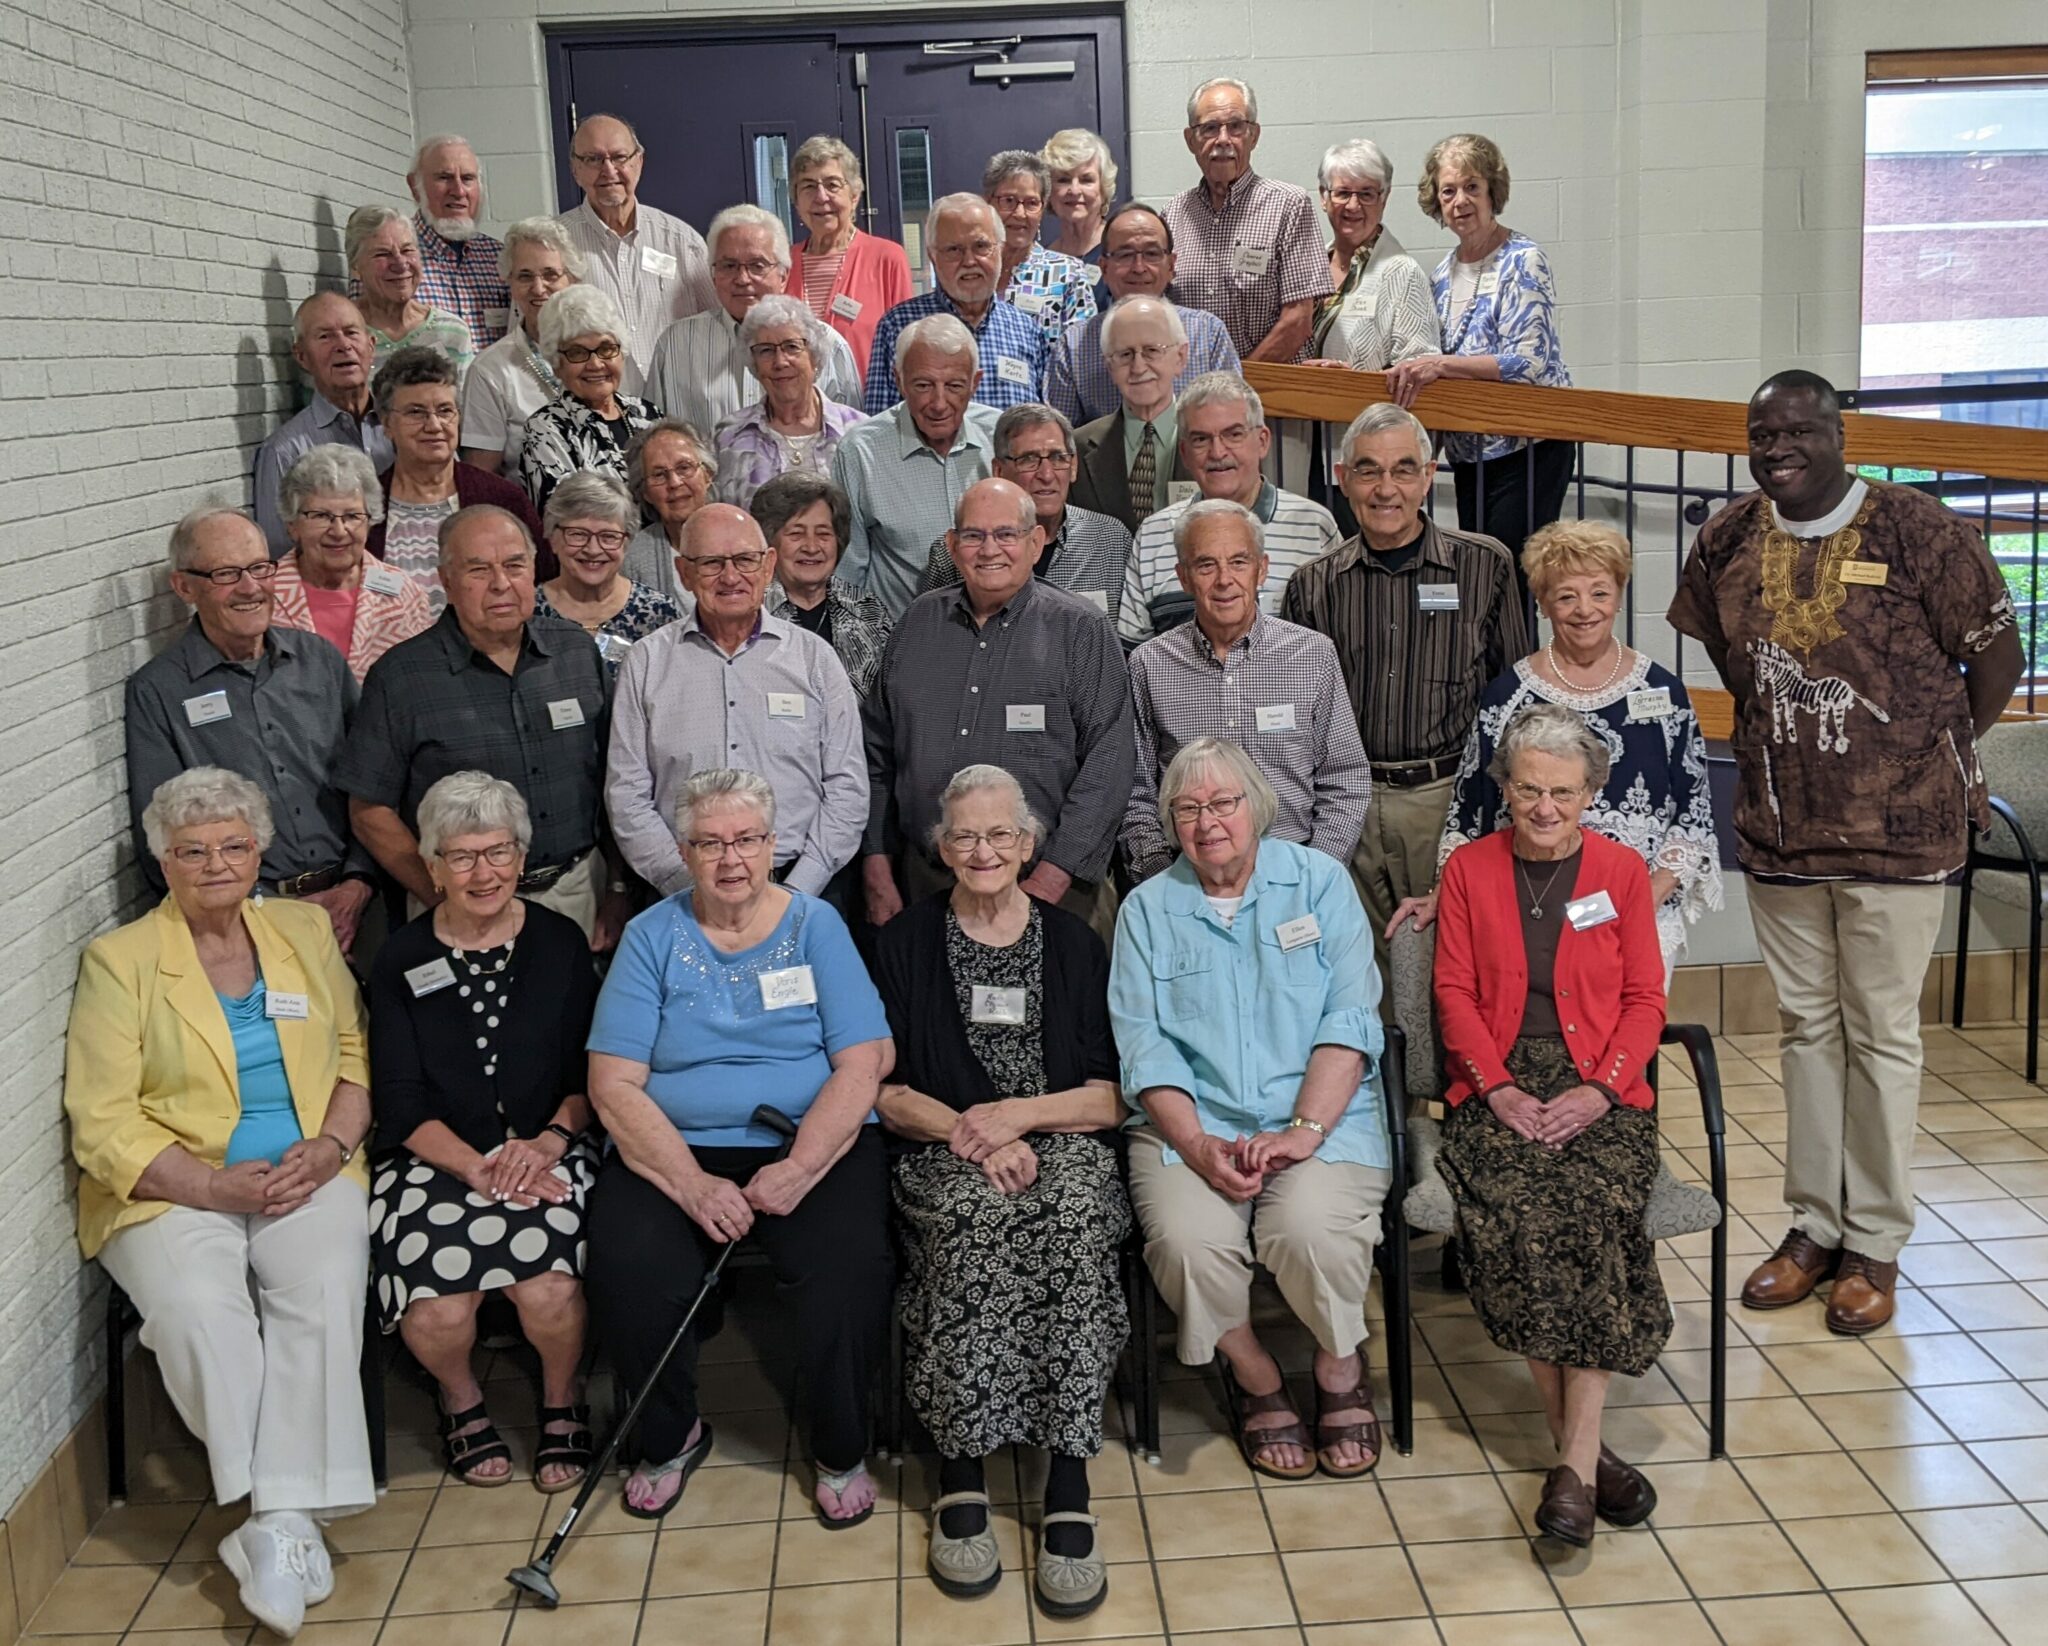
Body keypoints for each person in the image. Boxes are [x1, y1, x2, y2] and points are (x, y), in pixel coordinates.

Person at [1669, 369, 2025, 1335]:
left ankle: (1877, 1242)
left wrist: (1929, 749)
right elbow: (1731, 657)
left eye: (1799, 430)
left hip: (1902, 836)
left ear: (1840, 433)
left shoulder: (1923, 530)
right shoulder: (1728, 539)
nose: (1778, 446)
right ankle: (1812, 1227)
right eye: (1761, 432)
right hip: (1783, 834)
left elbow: (1999, 660)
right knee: (1805, 1034)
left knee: (1882, 1035)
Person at [65, 767, 374, 1638]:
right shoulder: (121, 961)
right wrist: (207, 1185)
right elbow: (101, 1119)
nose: (215, 864)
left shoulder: (303, 931)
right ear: (163, 860)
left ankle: (271, 1526)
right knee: (199, 1307)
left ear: (261, 850)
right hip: (174, 1186)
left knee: (320, 1283)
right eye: (193, 850)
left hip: (305, 1170)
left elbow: (354, 1052)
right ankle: (283, 1519)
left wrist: (330, 1147)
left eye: (234, 846)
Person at [584, 768, 893, 1524]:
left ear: (773, 845)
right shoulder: (653, 937)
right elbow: (614, 1083)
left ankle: (841, 1444)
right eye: (710, 842)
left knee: (845, 1268)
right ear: (683, 852)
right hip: (676, 1149)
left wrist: (799, 1168)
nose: (731, 859)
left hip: (808, 1140)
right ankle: (670, 1435)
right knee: (630, 1264)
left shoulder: (816, 925)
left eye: (748, 840)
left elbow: (865, 1061)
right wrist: (691, 1185)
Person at [874, 765, 1128, 1618]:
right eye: (964, 836)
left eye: (1000, 835)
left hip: (1060, 1140)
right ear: (941, 848)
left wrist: (1016, 1118)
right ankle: (961, 1468)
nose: (982, 851)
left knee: (1073, 1218)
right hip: (945, 1146)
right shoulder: (906, 942)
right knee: (974, 1221)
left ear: (1029, 844)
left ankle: (1067, 1475)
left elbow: (1107, 1095)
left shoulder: (1076, 942)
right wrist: (968, 1134)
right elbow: (887, 1089)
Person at [1109, 738, 1391, 1479]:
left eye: (1223, 803)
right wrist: (1199, 1145)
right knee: (1186, 1244)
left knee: (1307, 1229)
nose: (1208, 823)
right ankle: (1256, 1374)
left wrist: (1303, 1131)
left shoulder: (1320, 883)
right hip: (1191, 1128)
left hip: (1322, 1118)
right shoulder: (1146, 909)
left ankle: (1338, 1363)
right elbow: (1146, 1050)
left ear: (1257, 807)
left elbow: (1351, 1017)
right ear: (1170, 822)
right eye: (1188, 808)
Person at [1432, 704, 1671, 1548]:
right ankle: (1587, 1456)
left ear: (1590, 793)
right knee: (1524, 1217)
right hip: (1496, 1086)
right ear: (1503, 787)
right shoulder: (1468, 869)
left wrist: (1602, 1090)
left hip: (1601, 1088)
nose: (1543, 808)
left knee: (1595, 1206)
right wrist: (1495, 1089)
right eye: (1528, 789)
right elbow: (1453, 995)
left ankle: (1569, 1462)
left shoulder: (1622, 873)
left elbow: (1646, 999)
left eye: (1562, 793)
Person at [367, 772, 599, 1493]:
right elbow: (398, 1101)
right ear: (431, 866)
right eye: (461, 856)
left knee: (548, 1292)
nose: (483, 872)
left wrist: (550, 1143)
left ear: (522, 858)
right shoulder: (402, 958)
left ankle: (562, 1401)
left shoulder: (559, 942)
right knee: (440, 1308)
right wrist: (475, 1167)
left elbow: (596, 1071)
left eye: (497, 852)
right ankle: (460, 1400)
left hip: (551, 1144)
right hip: (433, 1158)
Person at [1282, 404, 1528, 978]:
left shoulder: (1484, 566)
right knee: (1356, 965)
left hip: (1446, 800)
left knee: (1457, 964)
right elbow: (1303, 717)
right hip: (1349, 804)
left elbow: (1513, 701)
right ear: (1343, 480)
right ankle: (1382, 1071)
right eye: (1368, 470)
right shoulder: (1312, 585)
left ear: (1429, 476)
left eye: (1403, 469)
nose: (1385, 488)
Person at [1417, 520, 1723, 972]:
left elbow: (1692, 812)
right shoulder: (1508, 696)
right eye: (1566, 596)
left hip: (1640, 914)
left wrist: (1639, 902)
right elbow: (1470, 812)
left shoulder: (1663, 692)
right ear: (1542, 604)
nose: (1585, 609)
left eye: (1599, 592)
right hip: (1527, 912)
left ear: (1619, 596)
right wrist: (1444, 890)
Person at [338, 505, 626, 949]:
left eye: (514, 566)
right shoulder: (401, 678)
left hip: (577, 893)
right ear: (447, 581)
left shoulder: (576, 654)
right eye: (478, 569)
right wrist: (438, 894)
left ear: (533, 569)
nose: (500, 584)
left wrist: (618, 889)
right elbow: (369, 810)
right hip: (458, 909)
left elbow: (614, 778)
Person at [864, 479, 1133, 932]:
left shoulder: (1080, 629)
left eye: (1006, 534)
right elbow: (875, 753)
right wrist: (876, 864)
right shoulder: (916, 625)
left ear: (1035, 542)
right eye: (973, 535)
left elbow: (1110, 764)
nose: (990, 549)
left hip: (1055, 890)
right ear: (952, 546)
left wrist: (1052, 879)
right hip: (928, 885)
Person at [124, 508, 376, 951]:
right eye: (226, 574)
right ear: (184, 587)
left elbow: (375, 782)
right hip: (246, 926)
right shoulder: (158, 692)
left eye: (261, 568)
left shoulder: (320, 661)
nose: (250, 587)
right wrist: (269, 914)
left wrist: (357, 882)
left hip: (360, 903)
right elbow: (160, 836)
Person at [607, 505, 866, 899]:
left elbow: (847, 786)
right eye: (711, 563)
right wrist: (686, 888)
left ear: (768, 565)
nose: (731, 577)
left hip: (802, 885)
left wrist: (800, 890)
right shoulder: (646, 662)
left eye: (745, 560)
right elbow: (627, 795)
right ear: (684, 573)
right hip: (681, 892)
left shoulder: (815, 658)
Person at [1125, 500, 1370, 881]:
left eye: (1239, 562)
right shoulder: (1149, 665)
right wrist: (1162, 876)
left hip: (1297, 868)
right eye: (1207, 565)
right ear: (1184, 577)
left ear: (1262, 569)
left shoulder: (1312, 655)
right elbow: (1136, 792)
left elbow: (1346, 779)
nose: (1225, 579)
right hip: (1188, 875)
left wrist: (1317, 874)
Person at [1387, 134, 1572, 567]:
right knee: (1482, 573)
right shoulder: (1442, 273)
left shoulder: (1523, 259)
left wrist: (1441, 365)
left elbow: (1529, 361)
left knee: (1514, 575)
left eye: (1472, 186)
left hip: (1528, 447)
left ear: (1492, 191)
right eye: (1448, 191)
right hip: (1470, 452)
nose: (1460, 200)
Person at [1120, 373, 1340, 643]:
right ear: (1185, 453)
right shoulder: (1153, 535)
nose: (1217, 452)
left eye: (1233, 434)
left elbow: (1336, 642)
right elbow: (1133, 651)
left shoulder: (1313, 526)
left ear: (1262, 441)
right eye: (1201, 439)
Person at [833, 315, 1000, 619]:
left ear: (975, 383)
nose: (938, 403)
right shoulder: (860, 451)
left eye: (954, 386)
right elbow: (848, 577)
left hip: (1001, 644)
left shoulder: (1001, 437)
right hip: (898, 645)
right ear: (898, 381)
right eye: (923, 385)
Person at [646, 205, 861, 438]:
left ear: (783, 275)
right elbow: (654, 438)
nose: (742, 279)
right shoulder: (675, 345)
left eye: (757, 266)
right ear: (713, 275)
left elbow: (855, 442)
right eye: (729, 266)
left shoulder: (828, 344)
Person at [1160, 79, 1333, 363]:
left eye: (1236, 126)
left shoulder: (1289, 205)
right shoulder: (1174, 214)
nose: (1224, 139)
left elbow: (1298, 320)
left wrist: (1237, 381)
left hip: (1270, 396)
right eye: (1210, 128)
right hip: (1193, 394)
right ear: (1191, 140)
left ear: (1254, 135)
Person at [917, 404, 1132, 624]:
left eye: (1058, 457)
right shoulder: (957, 552)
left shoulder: (1111, 540)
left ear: (1073, 466)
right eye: (1029, 459)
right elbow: (929, 639)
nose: (1047, 475)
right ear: (999, 471)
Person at [365, 347, 543, 610]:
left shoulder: (502, 499)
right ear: (387, 423)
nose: (434, 425)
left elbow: (543, 584)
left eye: (445, 410)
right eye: (416, 412)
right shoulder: (365, 508)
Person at [1044, 203, 1240, 427]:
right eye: (1125, 255)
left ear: (1171, 265)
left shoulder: (1208, 335)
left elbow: (1232, 425)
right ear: (1104, 267)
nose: (1139, 267)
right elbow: (1061, 440)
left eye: (1152, 254)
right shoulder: (1074, 346)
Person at [556, 113, 716, 380]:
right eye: (594, 159)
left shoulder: (682, 241)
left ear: (638, 162)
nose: (609, 170)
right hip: (600, 411)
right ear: (575, 169)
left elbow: (719, 324)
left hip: (677, 406)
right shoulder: (553, 245)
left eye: (619, 157)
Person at [863, 195, 1044, 414]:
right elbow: (879, 426)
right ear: (932, 256)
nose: (969, 261)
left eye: (981, 246)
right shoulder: (897, 326)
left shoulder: (1027, 330)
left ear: (1001, 249)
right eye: (953, 250)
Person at [271, 446, 432, 682]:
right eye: (321, 516)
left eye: (352, 516)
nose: (338, 531)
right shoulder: (263, 594)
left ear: (370, 522)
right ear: (292, 525)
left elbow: (426, 680)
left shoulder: (404, 594)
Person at [252, 293, 393, 553]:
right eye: (325, 336)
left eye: (351, 333)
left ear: (371, 345)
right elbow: (281, 553)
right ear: (301, 356)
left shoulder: (408, 427)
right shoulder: (285, 451)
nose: (343, 345)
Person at [517, 285, 662, 517]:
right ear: (556, 363)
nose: (595, 364)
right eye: (577, 353)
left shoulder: (646, 413)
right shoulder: (545, 430)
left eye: (606, 349)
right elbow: (571, 519)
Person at [714, 294, 869, 508]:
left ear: (814, 357)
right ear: (754, 364)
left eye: (792, 347)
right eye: (766, 350)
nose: (780, 362)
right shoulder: (729, 436)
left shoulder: (859, 431)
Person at [458, 217, 584, 476]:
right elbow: (482, 475)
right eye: (525, 276)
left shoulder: (605, 353)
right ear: (510, 283)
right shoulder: (489, 370)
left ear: (571, 279)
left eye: (551, 274)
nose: (538, 288)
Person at [783, 134, 914, 382]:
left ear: (854, 195)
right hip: (797, 412)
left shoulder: (887, 258)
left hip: (868, 411)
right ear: (796, 201)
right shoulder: (782, 263)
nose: (821, 197)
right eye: (808, 186)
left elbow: (905, 349)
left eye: (832, 185)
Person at [751, 472, 893, 699]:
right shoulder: (751, 611)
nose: (811, 547)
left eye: (823, 534)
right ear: (770, 543)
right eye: (796, 534)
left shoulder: (867, 609)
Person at [533, 471, 681, 677]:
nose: (593, 549)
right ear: (552, 537)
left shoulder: (658, 612)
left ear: (627, 543)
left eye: (608, 536)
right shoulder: (526, 612)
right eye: (578, 534)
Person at [1070, 295, 1198, 532]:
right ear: (1109, 366)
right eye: (1125, 355)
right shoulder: (1076, 448)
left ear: (1180, 357)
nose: (1138, 367)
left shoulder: (1212, 442)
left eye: (1151, 351)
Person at [1309, 138, 1439, 369]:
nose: (1353, 205)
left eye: (1366, 194)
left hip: (1364, 405)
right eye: (1342, 192)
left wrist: (1355, 379)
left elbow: (1419, 371)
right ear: (1323, 196)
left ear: (1384, 199)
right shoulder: (1309, 265)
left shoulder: (1404, 275)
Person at [401, 135, 510, 349]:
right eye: (444, 177)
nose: (459, 191)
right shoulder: (393, 261)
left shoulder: (502, 259)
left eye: (468, 178)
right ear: (415, 186)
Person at [985, 149, 1097, 353]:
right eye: (1008, 201)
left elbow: (1083, 353)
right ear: (988, 203)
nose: (1020, 214)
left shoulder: (1068, 274)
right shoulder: (974, 268)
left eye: (1031, 203)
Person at [345, 204, 474, 377]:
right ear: (355, 267)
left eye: (407, 250)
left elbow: (463, 402)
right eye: (382, 254)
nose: (400, 263)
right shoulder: (341, 334)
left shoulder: (451, 331)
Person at [620, 419, 718, 609]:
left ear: (707, 474)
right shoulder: (633, 559)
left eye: (684, 468)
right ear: (645, 492)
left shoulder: (744, 535)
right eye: (659, 475)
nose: (674, 483)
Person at [1041, 128, 1118, 267]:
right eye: (1063, 180)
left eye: (1086, 180)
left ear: (1103, 188)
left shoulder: (1122, 252)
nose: (1075, 190)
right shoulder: (1042, 261)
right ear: (1049, 191)